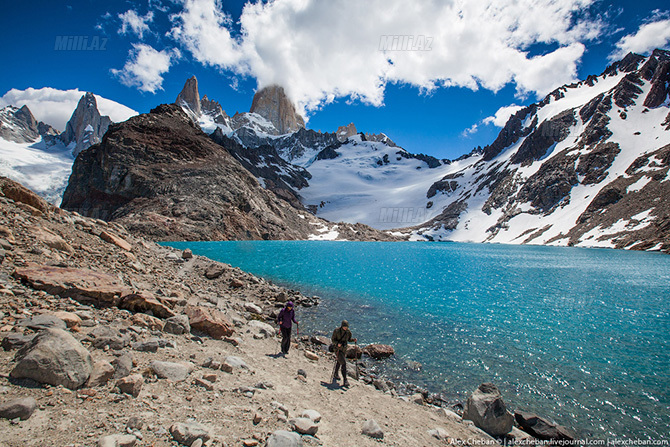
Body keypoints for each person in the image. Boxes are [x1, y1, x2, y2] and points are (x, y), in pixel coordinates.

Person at [331, 320, 356, 387]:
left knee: (339, 361)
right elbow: (333, 340)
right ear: (342, 326)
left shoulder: (348, 332)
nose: (345, 328)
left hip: (344, 349)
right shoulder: (336, 331)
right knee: (343, 363)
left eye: (346, 327)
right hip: (337, 349)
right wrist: (337, 344)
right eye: (344, 327)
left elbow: (349, 339)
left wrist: (353, 340)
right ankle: (345, 380)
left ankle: (336, 374)